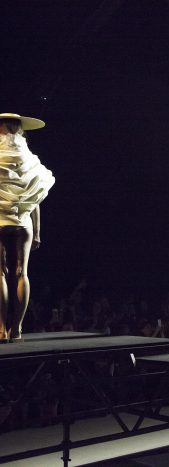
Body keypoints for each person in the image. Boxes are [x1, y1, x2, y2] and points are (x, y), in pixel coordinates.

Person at [0, 113, 55, 343]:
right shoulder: (30, 160)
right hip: (23, 221)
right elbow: (35, 198)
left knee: (0, 272)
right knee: (22, 273)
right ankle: (17, 329)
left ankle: (1, 329)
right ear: (20, 131)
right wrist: (38, 232)